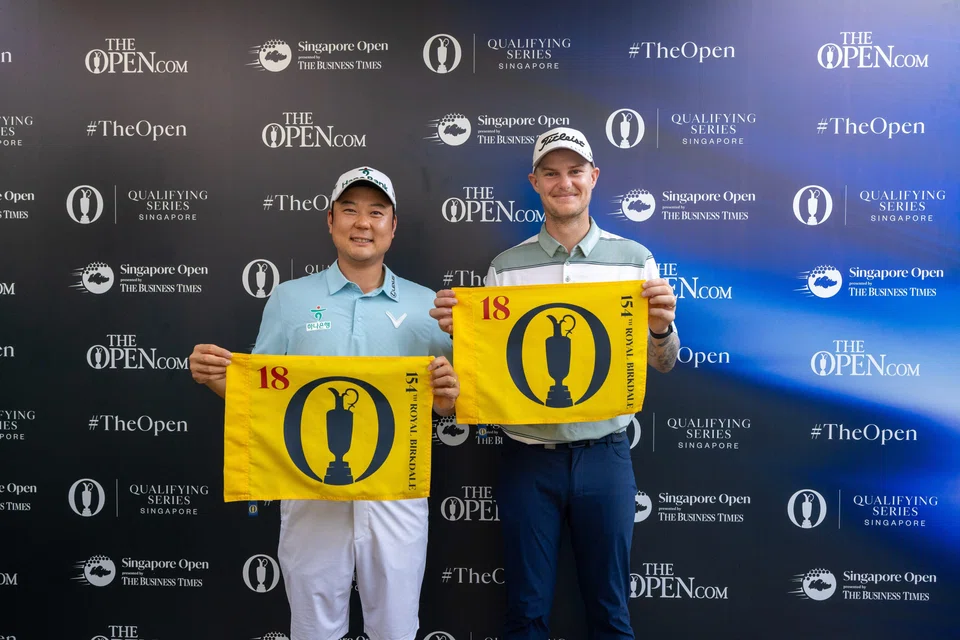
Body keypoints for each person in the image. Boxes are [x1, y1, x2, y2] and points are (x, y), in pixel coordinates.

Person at [189, 166, 458, 640]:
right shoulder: (290, 298)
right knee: (314, 629)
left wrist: (447, 399)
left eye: (377, 212)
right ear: (330, 220)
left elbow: (450, 402)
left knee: (395, 629)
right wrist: (217, 379)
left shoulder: (427, 307)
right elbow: (263, 395)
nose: (363, 222)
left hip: (396, 490)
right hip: (308, 488)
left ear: (393, 228)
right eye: (350, 210)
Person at [430, 128, 679, 639]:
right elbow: (488, 372)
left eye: (574, 171)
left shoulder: (634, 260)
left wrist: (661, 328)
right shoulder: (506, 267)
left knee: (611, 612)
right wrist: (467, 336)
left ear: (593, 178)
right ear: (535, 182)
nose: (564, 182)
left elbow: (664, 363)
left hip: (605, 453)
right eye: (551, 173)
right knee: (525, 611)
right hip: (527, 457)